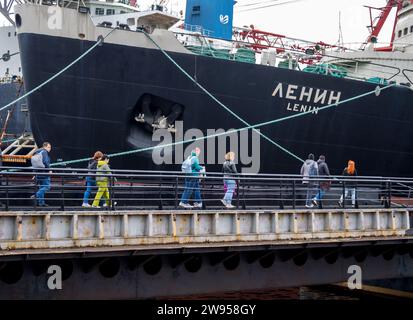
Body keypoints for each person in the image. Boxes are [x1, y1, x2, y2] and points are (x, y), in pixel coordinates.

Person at [32, 142, 52, 207]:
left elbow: (34, 163)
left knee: (41, 187)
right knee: (47, 187)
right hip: (44, 173)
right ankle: (36, 195)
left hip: (37, 172)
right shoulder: (44, 152)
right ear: (45, 147)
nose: (50, 149)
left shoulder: (37, 151)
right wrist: (49, 170)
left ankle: (41, 203)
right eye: (49, 147)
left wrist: (34, 173)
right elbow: (46, 162)